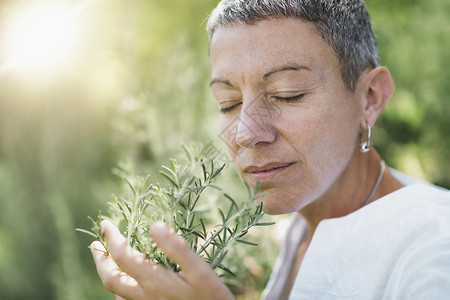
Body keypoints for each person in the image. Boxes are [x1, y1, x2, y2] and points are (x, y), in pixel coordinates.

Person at [91, 0, 450, 299]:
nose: (245, 133)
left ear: (370, 97)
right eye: (228, 102)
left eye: (286, 94)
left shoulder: (433, 250)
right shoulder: (294, 231)